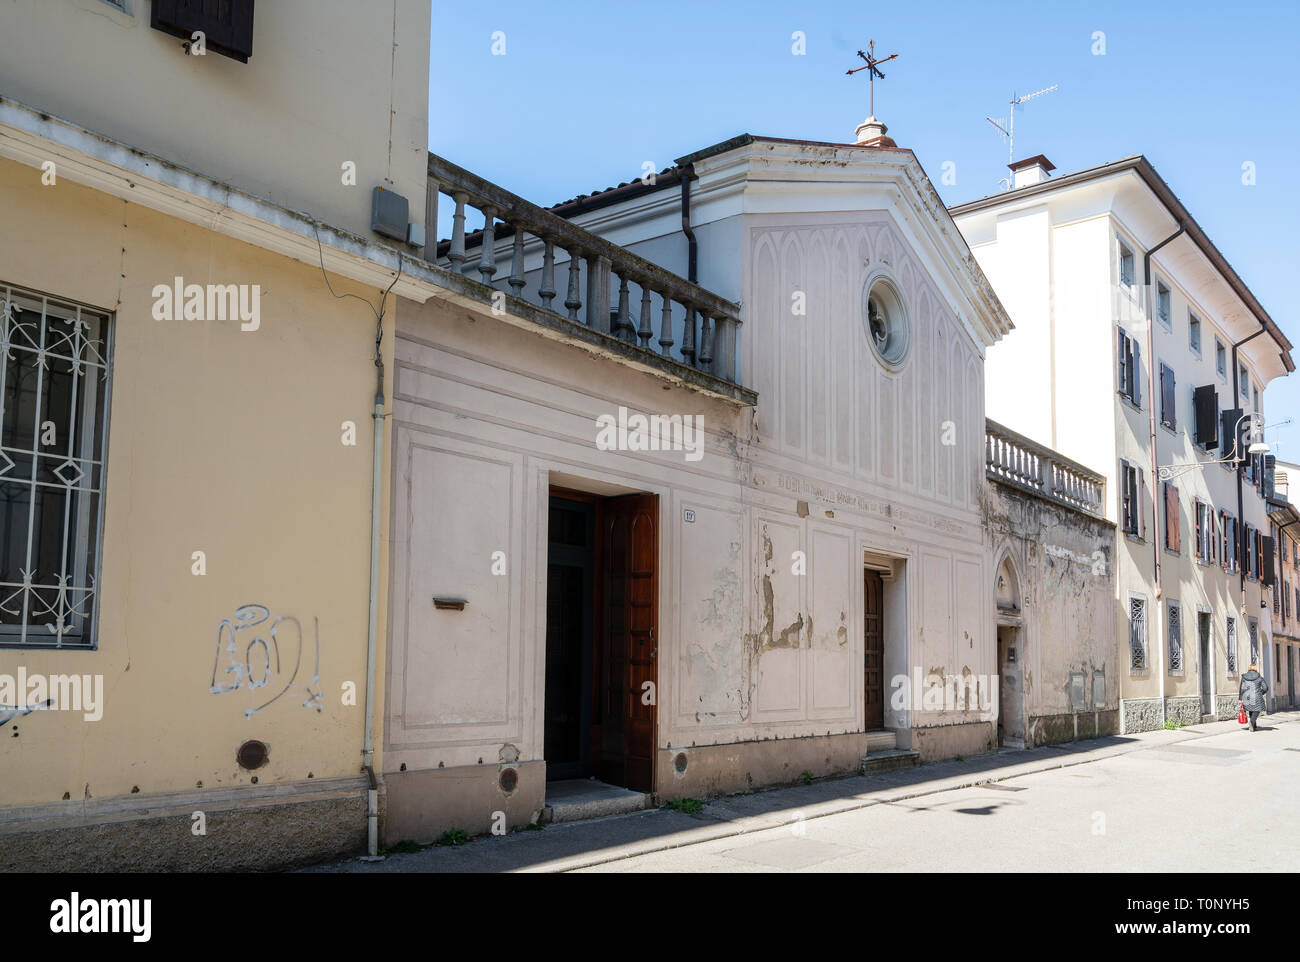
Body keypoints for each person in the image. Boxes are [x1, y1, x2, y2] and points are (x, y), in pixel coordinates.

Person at [1239, 663, 1268, 732]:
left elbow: (1241, 688)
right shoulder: (1259, 677)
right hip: (1256, 696)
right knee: (1256, 710)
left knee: (1251, 709)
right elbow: (1265, 688)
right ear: (1255, 669)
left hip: (1247, 696)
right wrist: (1261, 692)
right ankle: (1252, 722)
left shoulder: (1244, 677)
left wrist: (1240, 698)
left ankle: (1254, 726)